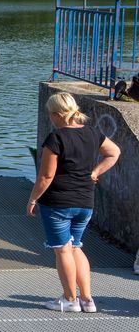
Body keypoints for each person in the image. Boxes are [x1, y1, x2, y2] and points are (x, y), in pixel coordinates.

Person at [27, 92, 120, 313]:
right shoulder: (92, 134)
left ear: (58, 115)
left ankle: (70, 299)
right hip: (85, 202)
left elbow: (45, 177)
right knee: (76, 246)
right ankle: (87, 300)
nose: (50, 118)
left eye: (51, 114)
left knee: (63, 250)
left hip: (58, 203)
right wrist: (96, 171)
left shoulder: (56, 138)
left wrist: (33, 198)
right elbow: (114, 152)